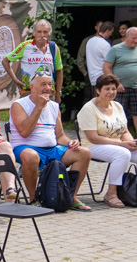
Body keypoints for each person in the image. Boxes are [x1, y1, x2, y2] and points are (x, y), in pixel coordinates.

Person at [9, 72, 92, 210]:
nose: (47, 88)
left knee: (83, 153)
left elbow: (60, 136)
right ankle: (33, 198)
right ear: (32, 87)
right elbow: (24, 132)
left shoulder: (54, 106)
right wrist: (39, 107)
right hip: (25, 147)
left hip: (52, 149)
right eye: (43, 84)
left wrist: (70, 142)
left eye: (49, 84)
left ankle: (70, 196)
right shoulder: (19, 105)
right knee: (31, 156)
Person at [77, 73, 137, 207]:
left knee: (129, 151)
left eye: (113, 89)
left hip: (118, 144)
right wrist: (123, 144)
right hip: (93, 146)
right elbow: (93, 137)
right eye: (107, 89)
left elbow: (124, 131)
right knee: (123, 154)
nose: (111, 92)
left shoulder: (117, 106)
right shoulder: (88, 109)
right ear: (98, 90)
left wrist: (131, 143)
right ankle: (111, 193)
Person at [2, 19, 63, 102]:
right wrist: (15, 80)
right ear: (33, 33)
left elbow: (59, 71)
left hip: (48, 93)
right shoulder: (25, 46)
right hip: (29, 92)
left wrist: (58, 93)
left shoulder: (53, 47)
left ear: (50, 33)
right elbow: (5, 61)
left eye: (45, 32)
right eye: (39, 32)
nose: (42, 35)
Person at [102, 27, 137, 131]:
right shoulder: (116, 49)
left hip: (136, 87)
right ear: (126, 37)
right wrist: (116, 83)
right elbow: (105, 67)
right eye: (133, 38)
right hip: (121, 87)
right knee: (119, 114)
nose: (136, 41)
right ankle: (120, 137)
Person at [86, 21, 114, 88]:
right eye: (111, 32)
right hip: (103, 78)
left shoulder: (90, 41)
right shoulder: (105, 44)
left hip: (92, 78)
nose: (111, 35)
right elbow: (110, 62)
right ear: (107, 30)